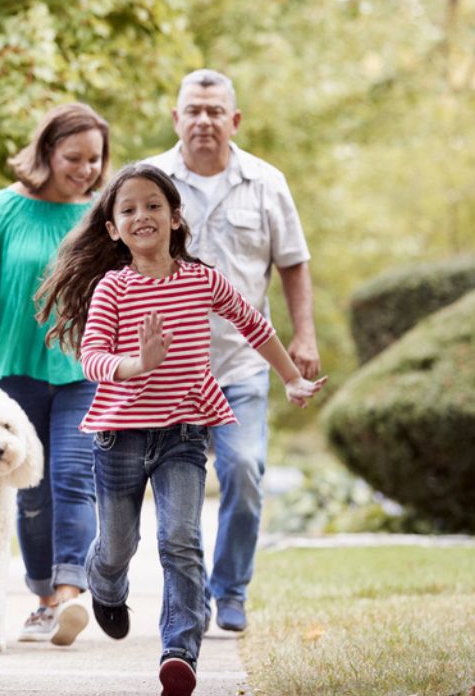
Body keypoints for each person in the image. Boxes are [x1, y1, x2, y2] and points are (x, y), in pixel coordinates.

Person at [36, 163, 325, 696]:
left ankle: (179, 652)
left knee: (181, 540)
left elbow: (253, 323)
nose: (141, 215)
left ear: (174, 216)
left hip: (184, 434)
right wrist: (136, 365)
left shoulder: (201, 280)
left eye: (153, 205)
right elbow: (93, 357)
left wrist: (289, 378)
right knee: (118, 546)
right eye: (128, 209)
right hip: (120, 435)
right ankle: (105, 585)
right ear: (113, 229)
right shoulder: (111, 289)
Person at [146, 68, 320, 634]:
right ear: (176, 118)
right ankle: (188, 600)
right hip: (170, 370)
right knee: (176, 493)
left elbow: (293, 261)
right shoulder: (150, 184)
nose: (203, 120)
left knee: (244, 470)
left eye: (214, 111)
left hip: (244, 363)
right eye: (192, 110)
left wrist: (304, 336)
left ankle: (232, 589)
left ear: (234, 120)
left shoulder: (267, 182)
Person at [0, 103, 111, 646]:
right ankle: (42, 597)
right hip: (14, 369)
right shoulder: (2, 209)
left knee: (72, 477)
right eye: (74, 157)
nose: (86, 169)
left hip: (82, 369)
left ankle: (69, 594)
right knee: (32, 490)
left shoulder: (100, 217)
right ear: (46, 152)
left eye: (94, 159)